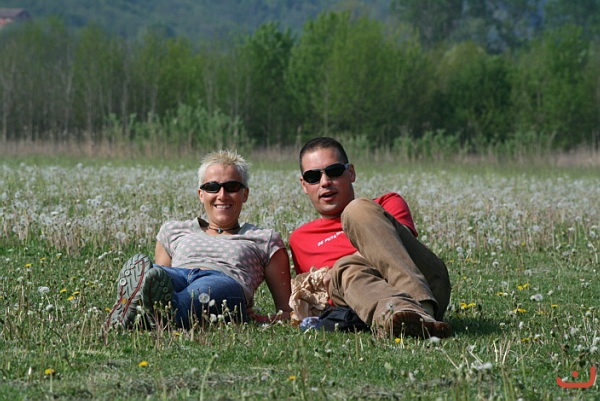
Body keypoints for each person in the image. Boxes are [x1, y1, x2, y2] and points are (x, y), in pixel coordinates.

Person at [105, 149, 292, 330]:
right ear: (201, 194)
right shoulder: (173, 231)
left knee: (197, 295)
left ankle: (143, 316)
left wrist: (260, 319)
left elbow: (286, 310)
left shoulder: (264, 239)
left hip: (224, 280)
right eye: (212, 187)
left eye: (232, 187)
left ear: (245, 194)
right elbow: (159, 285)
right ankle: (144, 308)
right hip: (177, 274)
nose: (222, 195)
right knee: (151, 275)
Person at [289, 137, 451, 338]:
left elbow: (398, 252)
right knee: (347, 271)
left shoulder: (386, 204)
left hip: (428, 286)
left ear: (351, 172)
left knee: (354, 214)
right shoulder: (299, 239)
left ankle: (421, 308)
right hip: (365, 308)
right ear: (304, 185)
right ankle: (399, 319)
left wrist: (336, 271)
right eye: (313, 177)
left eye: (334, 171)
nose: (325, 182)